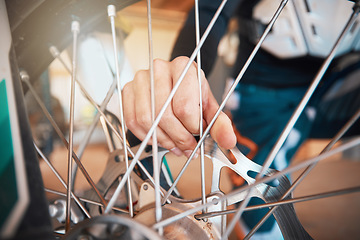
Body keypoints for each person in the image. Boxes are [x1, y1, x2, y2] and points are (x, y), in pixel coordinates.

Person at [123, 0, 360, 238]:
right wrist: (184, 72)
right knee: (260, 226)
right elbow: (210, 9)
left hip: (339, 78)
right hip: (263, 84)